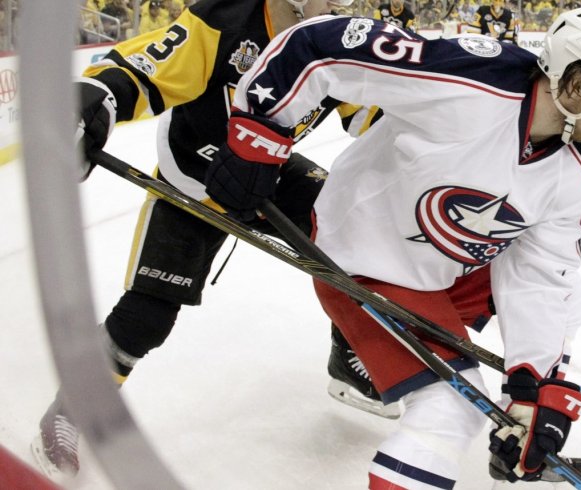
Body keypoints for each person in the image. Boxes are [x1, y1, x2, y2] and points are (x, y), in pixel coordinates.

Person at [205, 6, 581, 486]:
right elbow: (319, 45)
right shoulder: (472, 78)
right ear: (578, 82)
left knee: (570, 299)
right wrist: (259, 135)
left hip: (445, 266)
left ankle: (518, 428)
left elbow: (540, 279)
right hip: (367, 259)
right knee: (450, 410)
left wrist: (532, 385)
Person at [31, 0, 400, 480]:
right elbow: (142, 70)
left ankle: (348, 361)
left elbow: (376, 113)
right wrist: (92, 99)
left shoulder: (342, 38)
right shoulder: (226, 18)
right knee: (147, 315)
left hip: (266, 171)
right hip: (194, 180)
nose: (345, 5)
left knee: (359, 235)